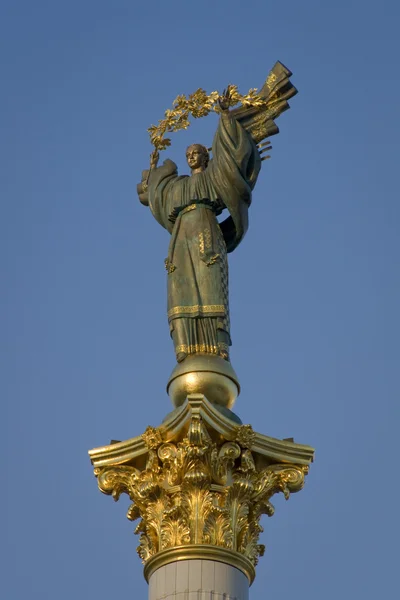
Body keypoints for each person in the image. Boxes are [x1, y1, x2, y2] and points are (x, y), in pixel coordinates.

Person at [138, 91, 261, 363]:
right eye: (188, 154)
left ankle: (218, 344)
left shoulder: (214, 177)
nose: (191, 156)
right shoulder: (178, 186)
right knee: (179, 289)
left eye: (196, 153)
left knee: (210, 287)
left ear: (206, 158)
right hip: (181, 239)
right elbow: (156, 196)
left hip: (207, 234)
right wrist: (153, 172)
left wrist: (225, 116)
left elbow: (229, 159)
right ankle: (184, 345)